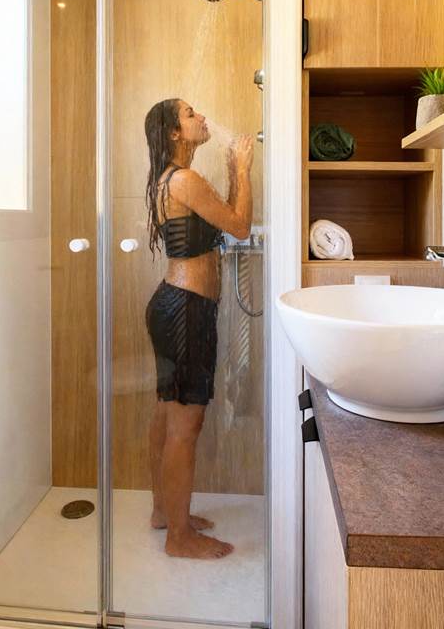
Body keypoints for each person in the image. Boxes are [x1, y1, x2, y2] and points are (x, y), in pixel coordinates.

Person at [143, 98, 253, 559]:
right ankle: (179, 537)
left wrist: (231, 173)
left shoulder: (171, 178)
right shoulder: (184, 179)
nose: (202, 117)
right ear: (174, 132)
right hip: (186, 310)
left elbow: (224, 219)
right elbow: (240, 225)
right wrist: (241, 168)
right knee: (185, 427)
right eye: (190, 115)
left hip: (175, 306)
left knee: (168, 417)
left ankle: (165, 512)